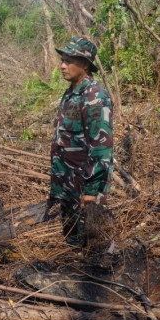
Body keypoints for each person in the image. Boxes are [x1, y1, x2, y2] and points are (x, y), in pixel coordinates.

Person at [49, 36, 114, 247]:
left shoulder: (94, 96)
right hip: (68, 185)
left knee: (88, 246)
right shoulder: (71, 94)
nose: (63, 65)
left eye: (69, 61)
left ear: (84, 64)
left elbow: (101, 146)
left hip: (84, 189)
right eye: (63, 60)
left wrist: (91, 190)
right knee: (71, 244)